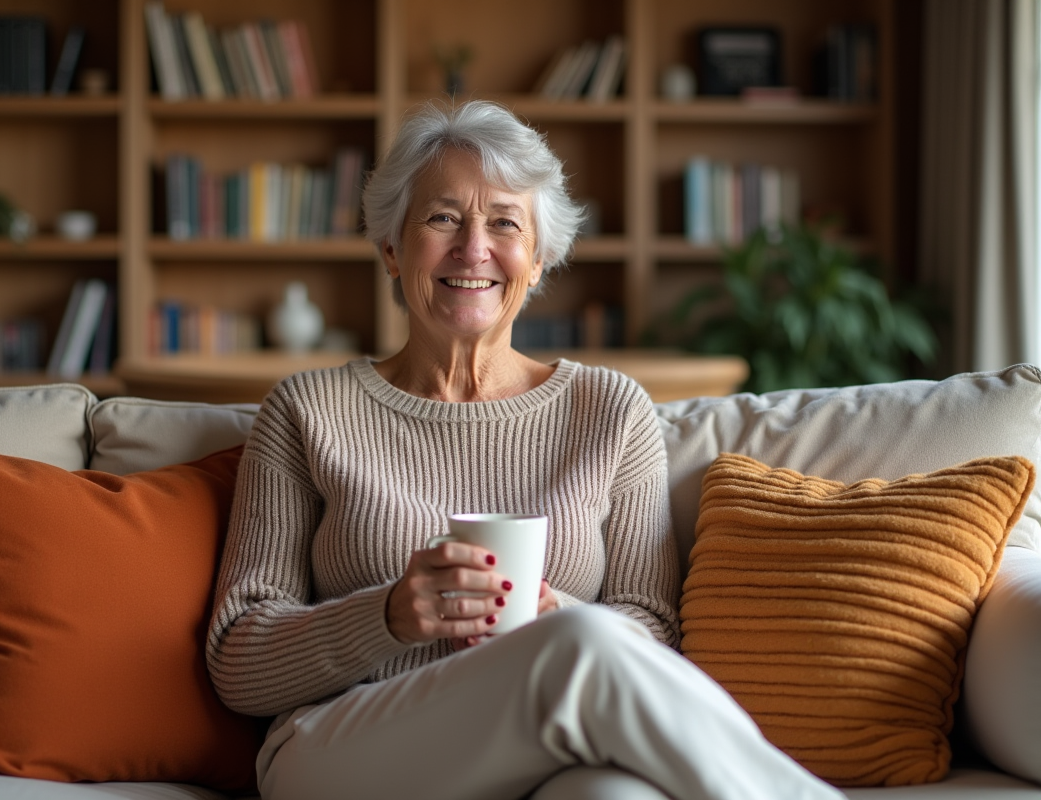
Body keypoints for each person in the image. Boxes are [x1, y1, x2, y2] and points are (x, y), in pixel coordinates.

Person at [207, 100, 843, 800]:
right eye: (443, 217)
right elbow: (239, 658)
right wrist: (389, 615)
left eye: (505, 222)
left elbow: (651, 632)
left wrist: (550, 619)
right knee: (586, 643)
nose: (473, 248)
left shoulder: (610, 411)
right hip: (341, 746)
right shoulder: (306, 410)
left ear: (538, 261)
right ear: (391, 247)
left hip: (541, 742)